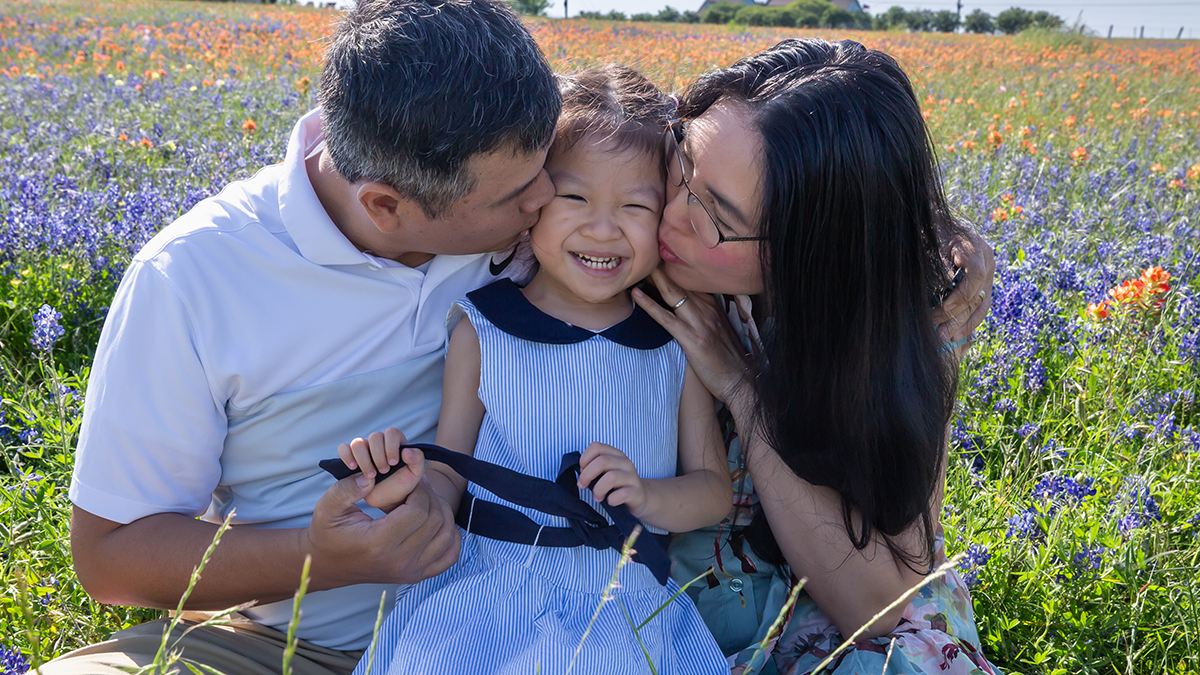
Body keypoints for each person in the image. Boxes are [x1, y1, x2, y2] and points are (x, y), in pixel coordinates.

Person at [46, 2, 561, 674]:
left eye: (547, 166)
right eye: (514, 196)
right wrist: (318, 559)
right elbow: (110, 554)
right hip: (283, 644)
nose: (550, 197)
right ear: (386, 206)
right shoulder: (195, 275)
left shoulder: (532, 217)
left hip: (515, 628)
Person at [344, 65, 730, 675]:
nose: (602, 229)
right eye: (574, 198)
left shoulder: (671, 343)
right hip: (486, 592)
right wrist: (406, 487)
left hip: (620, 600)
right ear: (533, 203)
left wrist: (647, 495)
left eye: (635, 206)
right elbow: (451, 472)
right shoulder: (483, 326)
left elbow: (713, 492)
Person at [633, 39, 1002, 674]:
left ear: (809, 252)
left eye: (716, 217)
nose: (670, 215)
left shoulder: (890, 321)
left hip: (812, 589)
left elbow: (881, 601)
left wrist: (743, 391)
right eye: (684, 161)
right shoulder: (634, 153)